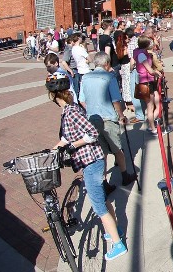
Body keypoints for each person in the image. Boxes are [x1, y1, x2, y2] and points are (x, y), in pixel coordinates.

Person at [46, 72, 127, 261]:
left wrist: (73, 145)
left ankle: (118, 244)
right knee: (103, 199)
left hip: (91, 162)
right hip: (91, 161)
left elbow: (91, 133)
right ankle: (115, 229)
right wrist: (55, 149)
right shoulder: (69, 110)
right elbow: (68, 135)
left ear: (53, 95)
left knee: (98, 205)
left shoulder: (71, 111)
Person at [79, 52, 138, 187]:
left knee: (102, 152)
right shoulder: (109, 77)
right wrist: (121, 116)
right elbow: (116, 100)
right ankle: (125, 176)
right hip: (108, 118)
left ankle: (104, 182)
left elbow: (82, 100)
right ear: (106, 64)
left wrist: (92, 109)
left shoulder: (86, 77)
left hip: (93, 119)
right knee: (117, 149)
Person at [134, 34, 162, 134]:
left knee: (157, 103)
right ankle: (152, 127)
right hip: (146, 82)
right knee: (150, 106)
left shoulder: (143, 52)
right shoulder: (141, 55)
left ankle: (152, 122)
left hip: (149, 81)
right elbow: (149, 70)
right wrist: (157, 72)